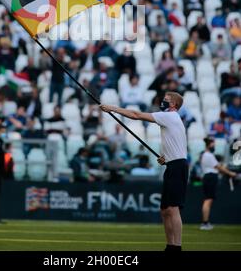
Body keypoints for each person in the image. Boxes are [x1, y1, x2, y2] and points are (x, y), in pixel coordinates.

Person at [100, 91, 188, 252]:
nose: (163, 101)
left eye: (166, 100)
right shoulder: (171, 119)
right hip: (173, 164)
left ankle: (177, 246)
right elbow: (177, 145)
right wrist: (166, 157)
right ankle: (170, 246)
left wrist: (113, 108)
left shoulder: (169, 116)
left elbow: (135, 114)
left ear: (174, 104)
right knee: (165, 210)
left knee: (173, 208)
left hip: (177, 167)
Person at [200, 137, 236, 230]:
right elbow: (218, 167)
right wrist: (230, 173)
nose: (214, 146)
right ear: (209, 144)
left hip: (208, 177)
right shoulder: (208, 155)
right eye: (213, 144)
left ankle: (205, 222)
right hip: (210, 177)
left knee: (208, 200)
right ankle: (205, 223)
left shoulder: (206, 155)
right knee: (208, 200)